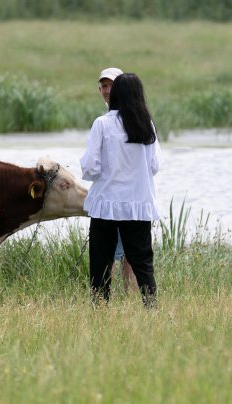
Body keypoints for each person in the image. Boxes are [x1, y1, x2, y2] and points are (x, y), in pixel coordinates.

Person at [80, 73, 161, 307]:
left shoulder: (102, 124)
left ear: (114, 94)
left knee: (100, 263)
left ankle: (100, 308)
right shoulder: (147, 125)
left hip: (106, 204)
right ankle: (151, 307)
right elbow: (155, 166)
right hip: (138, 204)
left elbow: (91, 168)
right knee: (143, 263)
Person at [97, 67, 138, 294]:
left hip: (127, 195)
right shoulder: (104, 120)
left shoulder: (134, 118)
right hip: (112, 195)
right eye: (103, 86)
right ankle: (110, 297)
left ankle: (128, 294)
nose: (107, 90)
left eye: (111, 85)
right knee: (111, 252)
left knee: (129, 252)